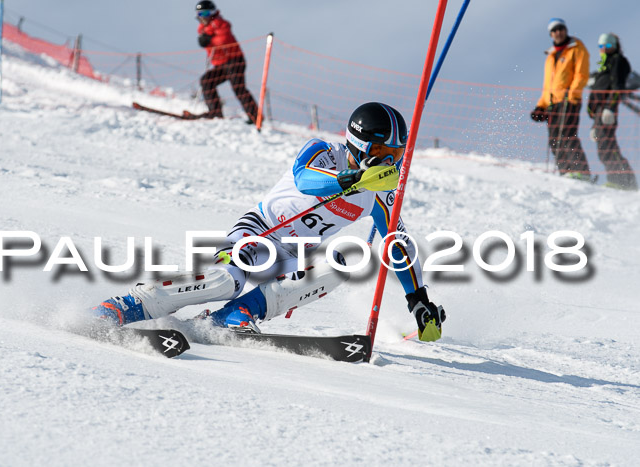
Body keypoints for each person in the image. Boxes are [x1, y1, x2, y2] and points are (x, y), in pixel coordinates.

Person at [92, 102, 446, 342]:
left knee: (338, 267)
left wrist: (418, 298)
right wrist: (351, 179)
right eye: (385, 155)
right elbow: (306, 179)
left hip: (291, 255)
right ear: (361, 144)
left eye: (397, 157)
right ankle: (127, 306)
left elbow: (397, 244)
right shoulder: (323, 152)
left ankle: (228, 320)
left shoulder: (381, 195)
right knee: (223, 280)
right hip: (257, 233)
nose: (392, 165)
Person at [530, 18, 591, 180]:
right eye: (555, 30)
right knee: (554, 139)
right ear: (551, 34)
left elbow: (582, 74)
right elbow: (548, 85)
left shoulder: (576, 48)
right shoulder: (550, 56)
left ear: (565, 30)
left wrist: (572, 95)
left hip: (569, 99)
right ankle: (566, 172)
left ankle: (581, 171)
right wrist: (540, 106)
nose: (558, 32)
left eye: (561, 29)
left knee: (567, 134)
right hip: (552, 103)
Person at [186, 1, 259, 123]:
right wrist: (205, 39)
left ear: (213, 12)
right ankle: (215, 113)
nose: (202, 16)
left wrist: (209, 38)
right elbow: (208, 44)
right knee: (206, 81)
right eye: (200, 13)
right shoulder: (202, 29)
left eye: (205, 13)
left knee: (238, 88)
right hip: (220, 65)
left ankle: (255, 116)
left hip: (234, 61)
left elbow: (223, 39)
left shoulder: (221, 23)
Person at [587, 33, 638, 191]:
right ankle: (621, 180)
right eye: (601, 46)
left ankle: (623, 180)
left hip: (608, 109)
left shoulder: (617, 61)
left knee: (608, 146)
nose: (604, 49)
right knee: (604, 147)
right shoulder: (603, 67)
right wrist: (594, 124)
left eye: (608, 46)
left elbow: (618, 86)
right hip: (599, 113)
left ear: (615, 46)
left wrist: (610, 107)